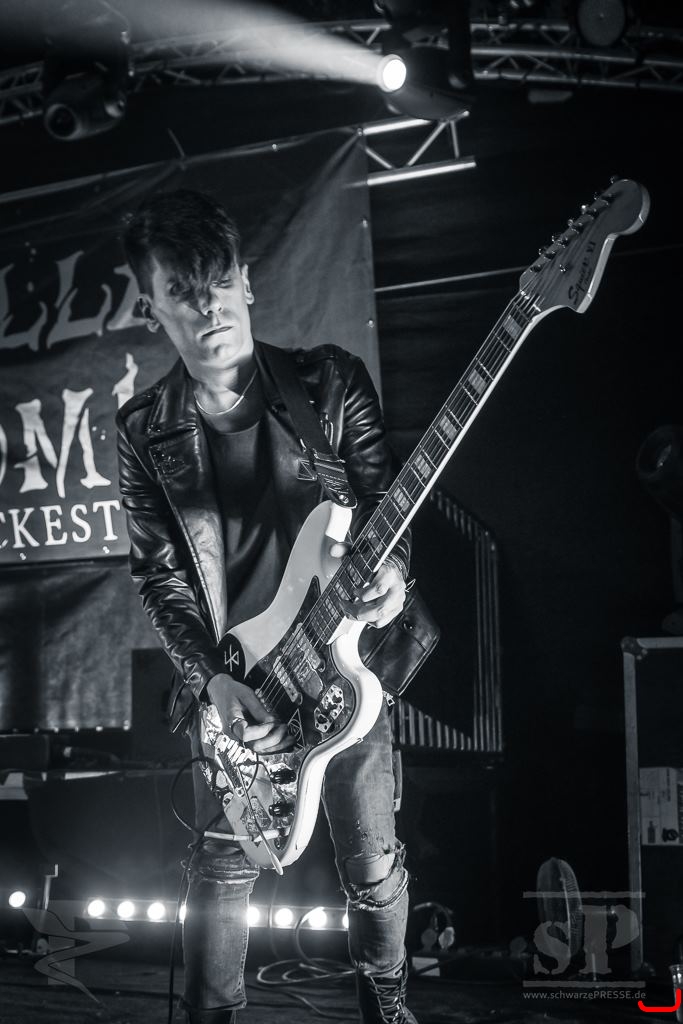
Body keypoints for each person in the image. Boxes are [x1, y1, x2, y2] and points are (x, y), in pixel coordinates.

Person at [116, 189, 417, 1024]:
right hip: (237, 680)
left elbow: (384, 505)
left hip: (340, 662)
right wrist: (211, 682)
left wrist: (394, 577)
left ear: (246, 282)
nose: (206, 306)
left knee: (372, 866)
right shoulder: (143, 430)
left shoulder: (327, 382)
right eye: (181, 291)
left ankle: (387, 1003)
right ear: (151, 308)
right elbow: (160, 577)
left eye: (218, 282)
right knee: (221, 866)